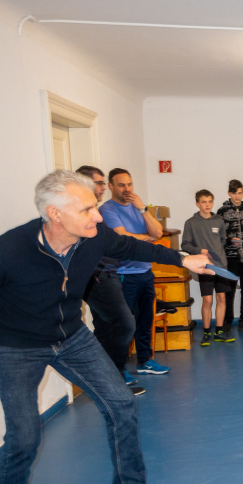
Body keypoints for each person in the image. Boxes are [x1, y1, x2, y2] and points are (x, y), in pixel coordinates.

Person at [0, 171, 212, 484]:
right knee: (24, 437)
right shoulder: (7, 251)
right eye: (87, 209)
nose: (98, 216)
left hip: (71, 336)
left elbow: (133, 247)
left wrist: (182, 258)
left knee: (121, 403)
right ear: (55, 214)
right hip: (17, 346)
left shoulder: (95, 238)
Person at [75, 166, 144, 396]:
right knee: (125, 324)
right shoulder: (79, 212)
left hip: (107, 272)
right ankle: (114, 379)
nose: (103, 187)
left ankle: (104, 382)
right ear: (83, 184)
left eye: (103, 182)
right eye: (99, 182)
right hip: (98, 276)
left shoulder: (94, 211)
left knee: (105, 329)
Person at [98, 169, 169, 376]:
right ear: (111, 186)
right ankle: (119, 369)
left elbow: (158, 232)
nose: (127, 189)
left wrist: (143, 208)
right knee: (123, 324)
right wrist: (147, 238)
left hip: (145, 272)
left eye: (129, 184)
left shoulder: (138, 207)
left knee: (145, 321)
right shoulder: (107, 209)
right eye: (121, 185)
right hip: (122, 274)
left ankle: (145, 361)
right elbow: (122, 237)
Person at [183, 190, 236, 347]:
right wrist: (201, 251)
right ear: (197, 204)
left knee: (221, 299)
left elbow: (222, 241)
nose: (207, 204)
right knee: (208, 300)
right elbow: (185, 245)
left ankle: (219, 332)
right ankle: (206, 333)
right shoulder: (190, 223)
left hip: (221, 266)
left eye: (210, 201)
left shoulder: (219, 221)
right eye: (204, 202)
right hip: (204, 267)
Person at [217, 179, 243, 334]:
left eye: (240, 193)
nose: (237, 196)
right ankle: (227, 320)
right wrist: (230, 240)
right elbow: (220, 234)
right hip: (231, 256)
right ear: (229, 193)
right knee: (229, 291)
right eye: (234, 193)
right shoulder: (222, 211)